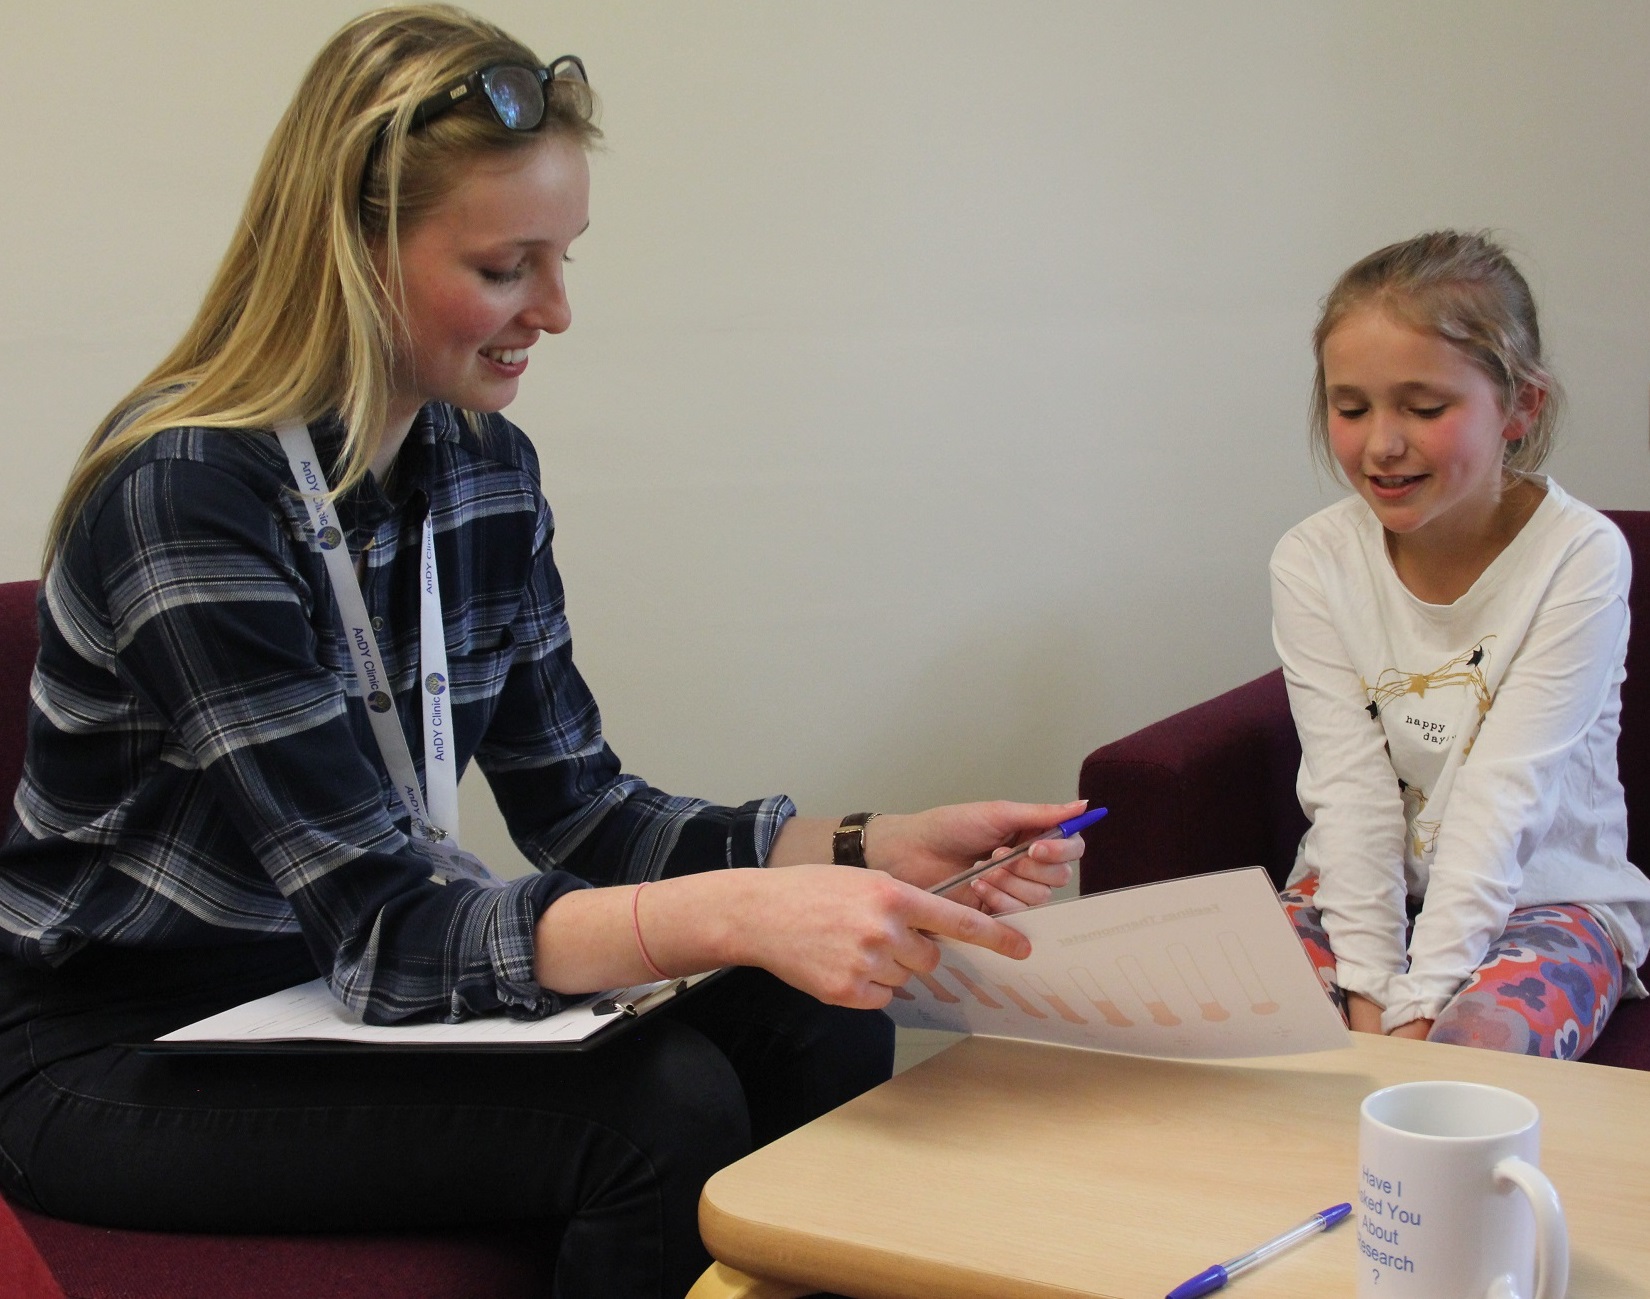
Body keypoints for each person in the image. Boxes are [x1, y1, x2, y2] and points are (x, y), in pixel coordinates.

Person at [0, 8, 1085, 1296]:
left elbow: (587, 812)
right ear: (352, 250)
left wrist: (860, 848)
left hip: (325, 982)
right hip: (115, 1044)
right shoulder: (187, 494)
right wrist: (744, 913)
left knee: (813, 1014)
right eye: (510, 266)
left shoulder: (480, 467)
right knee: (654, 1110)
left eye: (563, 259)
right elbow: (393, 934)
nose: (556, 313)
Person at [1270, 229, 1650, 1059]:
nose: (1382, 443)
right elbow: (1351, 789)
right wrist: (1371, 986)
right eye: (1351, 406)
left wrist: (1424, 1003)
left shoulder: (1578, 556)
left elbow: (1501, 798)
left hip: (1547, 900)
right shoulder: (1313, 559)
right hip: (1357, 891)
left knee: (1471, 1056)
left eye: (1425, 408)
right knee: (1255, 1026)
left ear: (1521, 407)